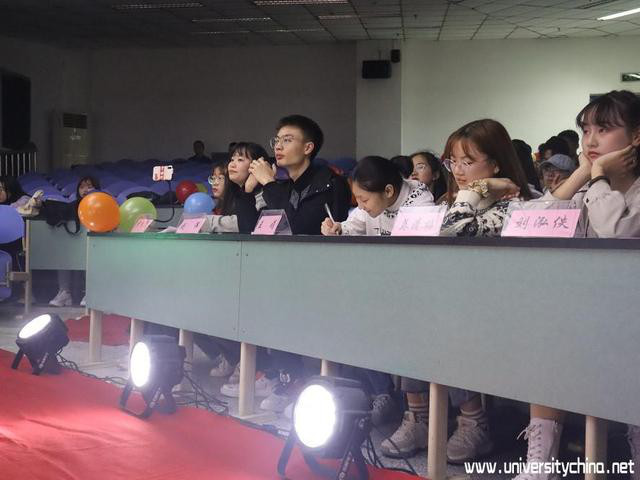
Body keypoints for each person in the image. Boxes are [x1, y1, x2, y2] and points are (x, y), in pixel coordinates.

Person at [512, 91, 640, 480]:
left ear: (636, 136)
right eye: (586, 130)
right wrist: (583, 175)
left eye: (604, 129)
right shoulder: (586, 185)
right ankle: (542, 462)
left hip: (631, 313)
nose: (591, 140)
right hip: (585, 308)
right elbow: (529, 227)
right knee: (547, 340)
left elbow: (616, 232)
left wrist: (597, 175)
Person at [440, 118, 532, 463]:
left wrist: (475, 190)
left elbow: (453, 232)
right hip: (463, 300)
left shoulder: (516, 203)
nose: (458, 171)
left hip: (504, 305)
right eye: (452, 161)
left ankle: (474, 423)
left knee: (452, 324)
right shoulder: (455, 200)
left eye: (468, 161)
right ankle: (425, 416)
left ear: (495, 164)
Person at [248, 114, 352, 235]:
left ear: (307, 148)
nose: (278, 147)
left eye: (287, 140)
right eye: (276, 140)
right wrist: (247, 191)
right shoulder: (283, 187)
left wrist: (269, 183)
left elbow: (298, 229)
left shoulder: (330, 184)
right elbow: (249, 231)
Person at [49, 176, 100, 307]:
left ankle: (91, 292)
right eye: (82, 187)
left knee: (92, 259)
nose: (85, 190)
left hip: (95, 248)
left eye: (89, 186)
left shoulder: (101, 205)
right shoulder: (73, 206)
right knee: (63, 256)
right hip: (74, 246)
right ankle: (64, 293)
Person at [207, 142, 272, 233]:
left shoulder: (265, 197)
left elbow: (244, 223)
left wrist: (205, 222)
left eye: (240, 160)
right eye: (232, 159)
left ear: (258, 164)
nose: (231, 164)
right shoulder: (234, 194)